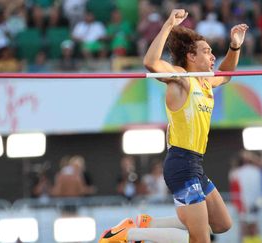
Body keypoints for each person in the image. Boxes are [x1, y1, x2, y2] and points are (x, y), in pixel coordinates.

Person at [99, 9, 248, 243]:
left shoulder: (205, 82)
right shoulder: (181, 78)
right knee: (199, 239)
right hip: (181, 165)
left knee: (221, 224)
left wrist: (235, 47)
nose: (212, 57)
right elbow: (150, 62)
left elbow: (227, 74)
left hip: (195, 164)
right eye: (207, 52)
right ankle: (129, 235)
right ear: (190, 56)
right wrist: (167, 25)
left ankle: (148, 224)